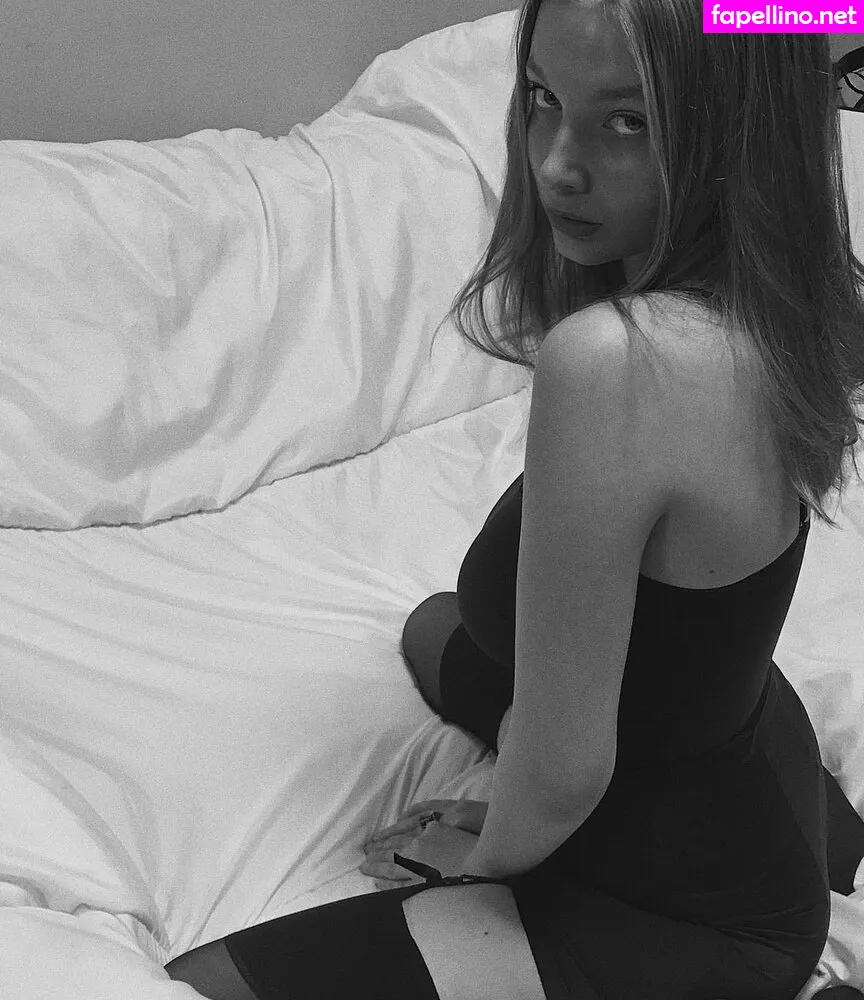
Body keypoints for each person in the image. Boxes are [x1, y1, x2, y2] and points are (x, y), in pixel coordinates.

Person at [165, 0, 864, 997]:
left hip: (694, 911)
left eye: (627, 121)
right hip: (747, 758)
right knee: (433, 629)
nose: (556, 165)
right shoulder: (785, 299)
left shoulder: (618, 361)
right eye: (542, 98)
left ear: (734, 135)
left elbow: (565, 768)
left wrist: (483, 859)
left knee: (196, 981)